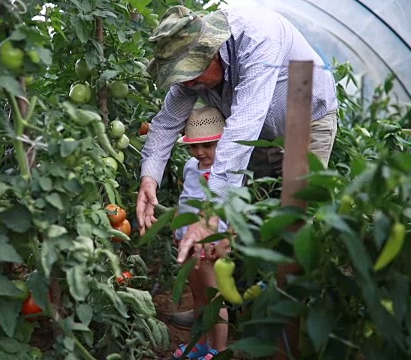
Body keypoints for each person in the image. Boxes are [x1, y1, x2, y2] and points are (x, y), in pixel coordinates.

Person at [137, 3, 339, 327]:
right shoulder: (195, 76)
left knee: (297, 225)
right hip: (258, 138)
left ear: (211, 50)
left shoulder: (258, 37)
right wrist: (150, 179)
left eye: (190, 74)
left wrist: (209, 211)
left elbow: (243, 124)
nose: (188, 85)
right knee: (242, 224)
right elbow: (166, 123)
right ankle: (222, 312)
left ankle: (288, 325)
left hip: (307, 126)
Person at [172, 106, 229, 360]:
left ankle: (220, 350)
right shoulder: (190, 166)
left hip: (210, 242)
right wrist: (177, 225)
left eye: (208, 145)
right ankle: (200, 343)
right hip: (187, 240)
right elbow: (186, 197)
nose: (200, 152)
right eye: (194, 146)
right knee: (197, 295)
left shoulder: (228, 169)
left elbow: (233, 208)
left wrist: (228, 237)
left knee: (214, 296)